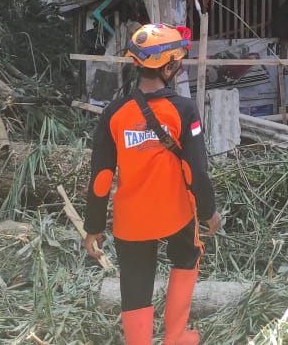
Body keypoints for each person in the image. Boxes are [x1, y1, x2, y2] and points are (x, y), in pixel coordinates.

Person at [83, 23, 222, 345]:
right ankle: (175, 336)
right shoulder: (184, 110)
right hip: (176, 213)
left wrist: (93, 227)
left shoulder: (114, 112)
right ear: (170, 65)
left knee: (134, 280)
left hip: (131, 220)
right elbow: (195, 171)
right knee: (187, 257)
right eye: (179, 61)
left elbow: (101, 177)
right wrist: (208, 211)